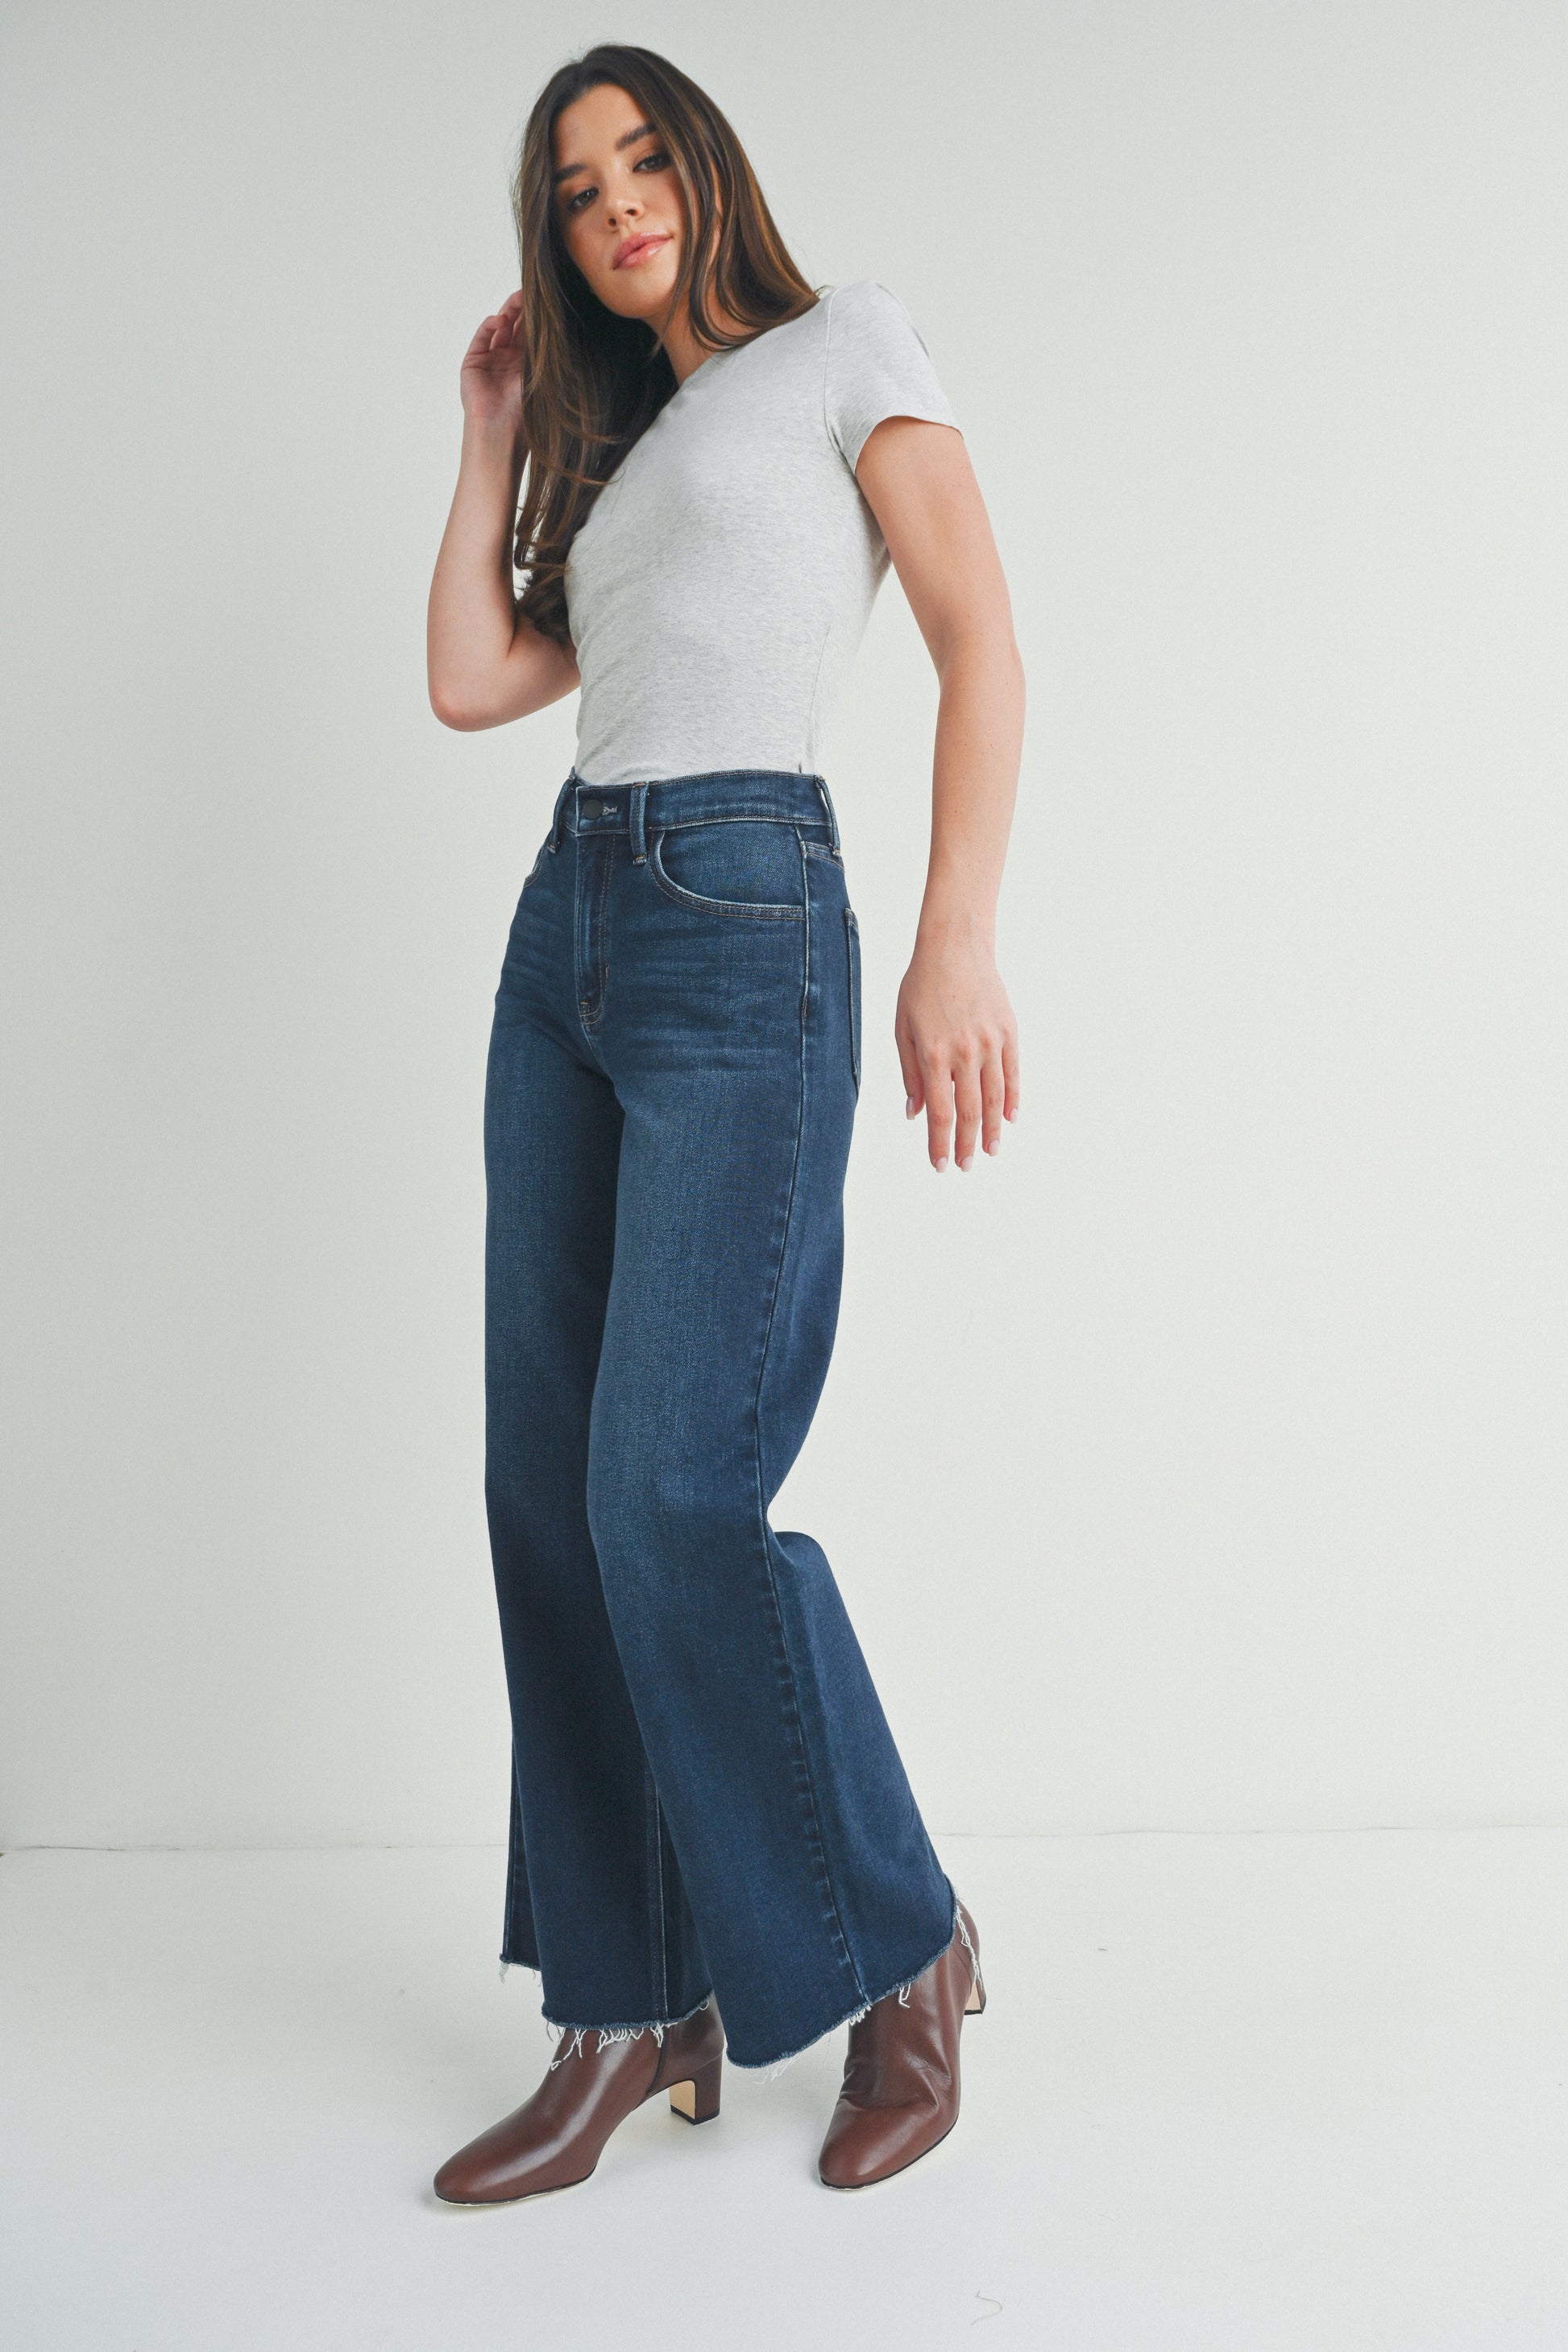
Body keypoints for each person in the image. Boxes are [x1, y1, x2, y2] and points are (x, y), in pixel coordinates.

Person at [425, 42, 1023, 2201]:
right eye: (574, 190)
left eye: (637, 158)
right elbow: (475, 684)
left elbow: (979, 641)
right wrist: (494, 432)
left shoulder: (844, 349)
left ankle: (899, 1950)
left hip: (745, 916)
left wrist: (952, 939)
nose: (613, 206)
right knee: (548, 1492)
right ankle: (626, 1997)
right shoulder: (626, 441)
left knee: (672, 1491)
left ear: (699, 165)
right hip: (563, 931)